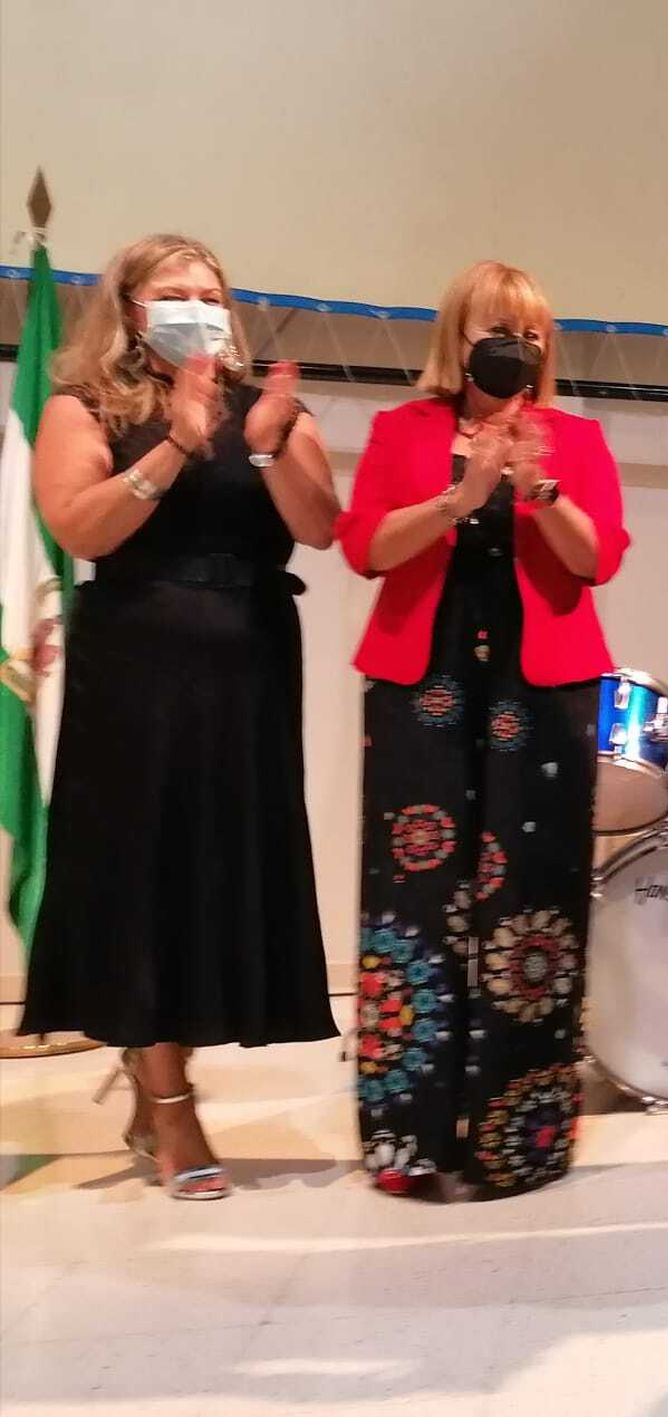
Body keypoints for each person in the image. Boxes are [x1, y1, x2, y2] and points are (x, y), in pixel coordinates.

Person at [20, 233, 340, 1200]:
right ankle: (171, 1103)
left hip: (248, 670)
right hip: (136, 673)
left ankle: (156, 1064)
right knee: (145, 878)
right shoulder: (86, 406)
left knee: (217, 877)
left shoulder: (268, 408)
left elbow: (322, 526)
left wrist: (267, 441)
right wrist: (175, 443)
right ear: (128, 308)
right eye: (173, 292)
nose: (197, 304)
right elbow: (79, 526)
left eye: (210, 291)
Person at [337, 260, 629, 1199]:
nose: (514, 348)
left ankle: (521, 1136)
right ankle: (407, 1140)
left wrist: (540, 489)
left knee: (534, 911)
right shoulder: (401, 429)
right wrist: (457, 500)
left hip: (541, 689)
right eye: (494, 329)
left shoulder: (577, 436)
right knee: (412, 909)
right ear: (455, 340)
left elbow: (599, 562)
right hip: (422, 683)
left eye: (532, 332)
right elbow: (366, 548)